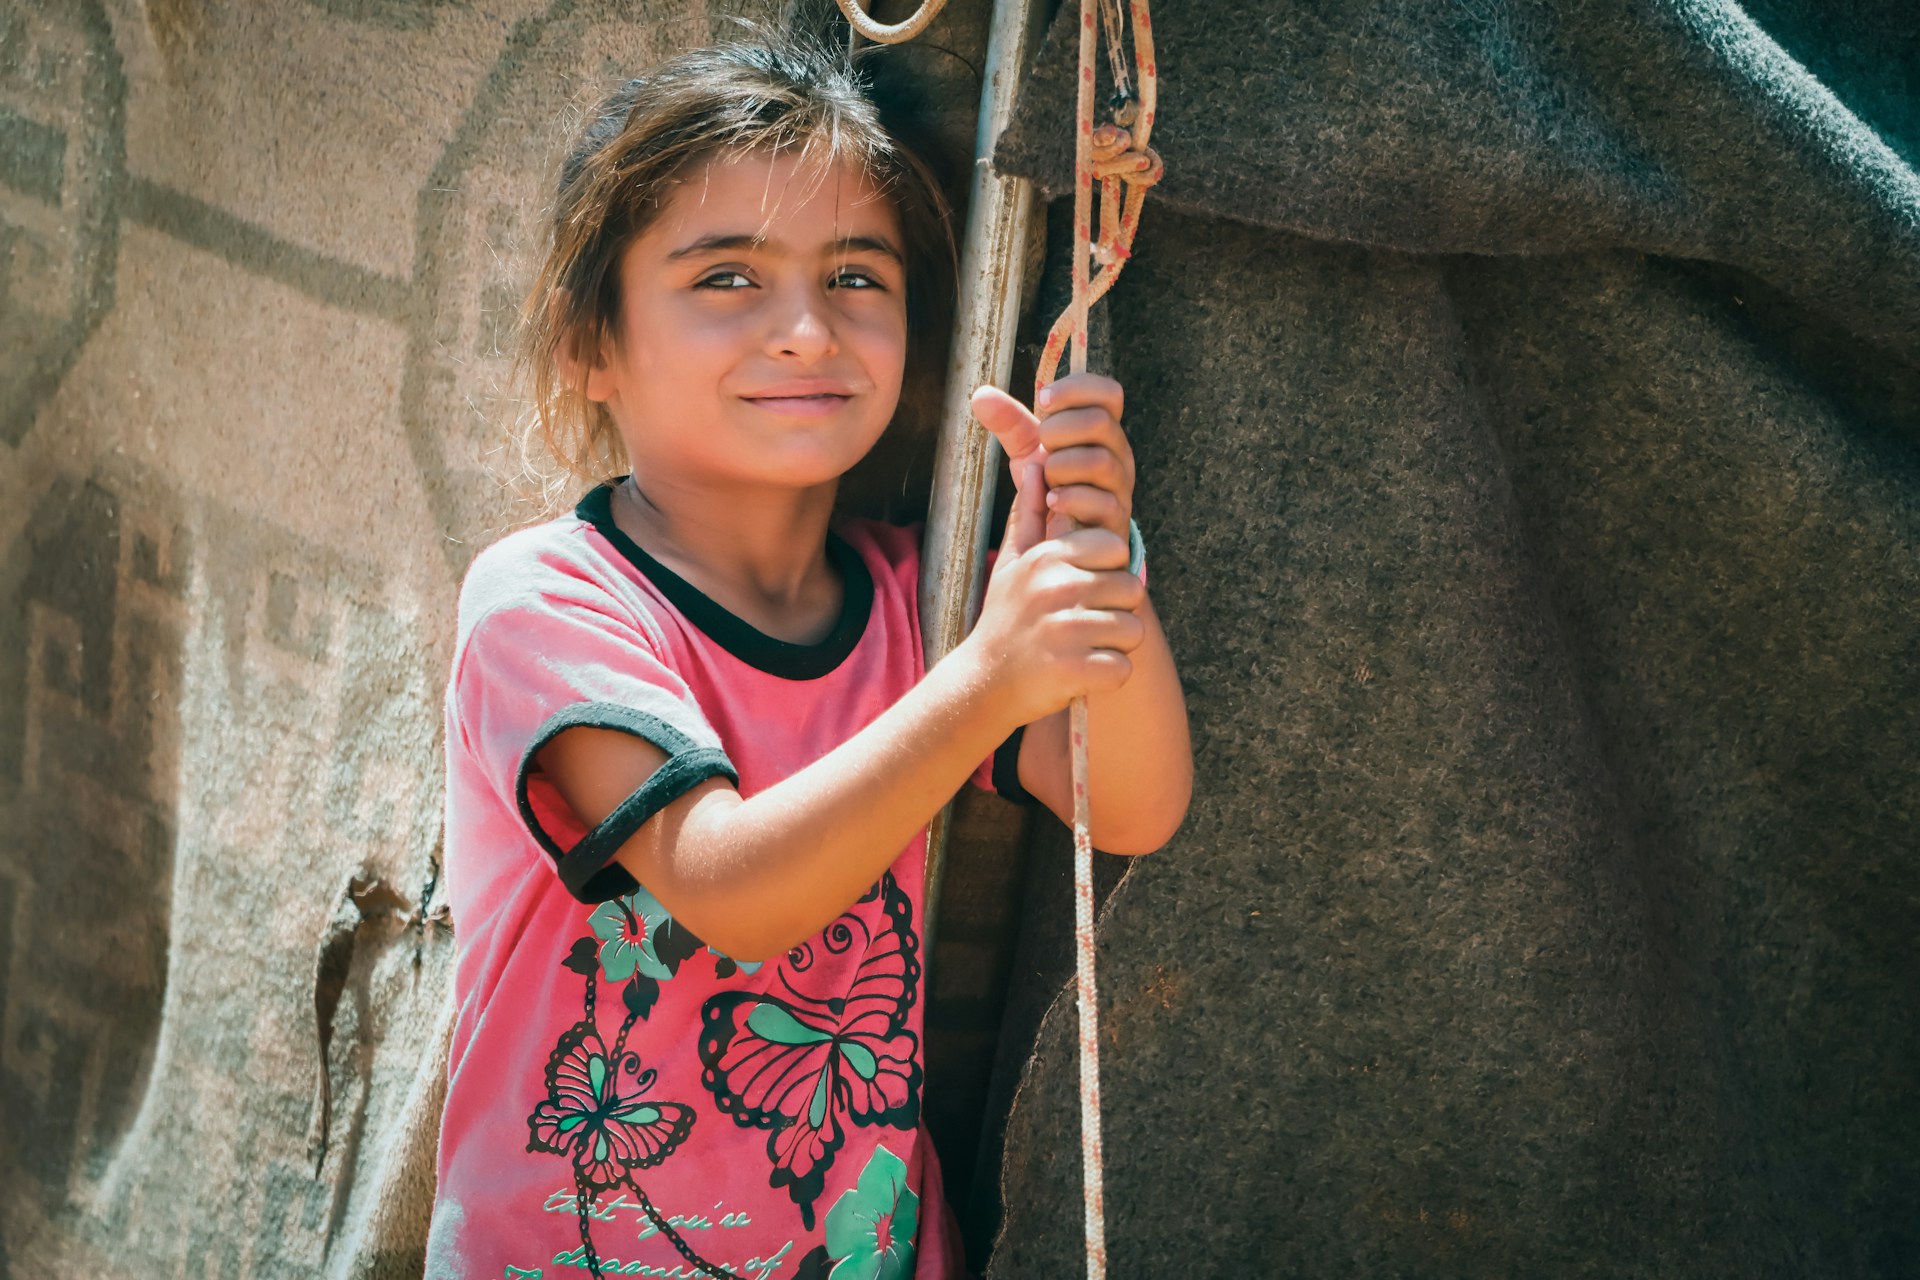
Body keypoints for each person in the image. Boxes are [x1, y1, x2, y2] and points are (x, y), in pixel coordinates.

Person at [426, 31, 1192, 1280]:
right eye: (727, 276)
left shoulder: (920, 597)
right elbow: (733, 890)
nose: (803, 330)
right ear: (592, 343)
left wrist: (1093, 566)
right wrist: (995, 669)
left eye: (856, 276)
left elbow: (1135, 802)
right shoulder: (550, 603)